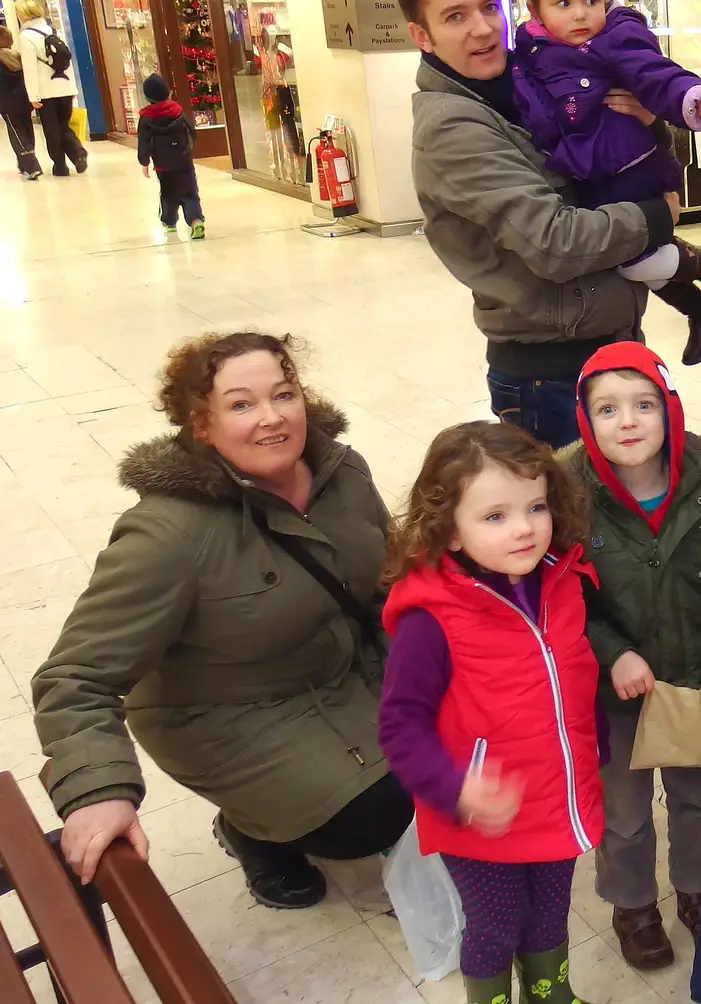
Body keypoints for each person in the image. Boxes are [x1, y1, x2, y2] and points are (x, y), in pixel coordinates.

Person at [33, 332, 410, 908]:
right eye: (241, 404)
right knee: (377, 812)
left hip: (338, 664)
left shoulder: (340, 469)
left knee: (464, 742)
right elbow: (74, 678)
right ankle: (255, 834)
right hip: (231, 713)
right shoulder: (167, 535)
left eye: (284, 395)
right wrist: (97, 791)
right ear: (200, 425)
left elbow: (385, 578)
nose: (272, 418)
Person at [399, 0, 680, 448]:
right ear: (422, 34)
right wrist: (657, 216)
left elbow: (594, 162)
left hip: (605, 346)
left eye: (488, 7)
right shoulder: (452, 127)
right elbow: (556, 242)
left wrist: (647, 123)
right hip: (550, 374)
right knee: (575, 522)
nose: (482, 28)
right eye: (455, 17)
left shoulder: (526, 75)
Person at [562, 341, 701, 970]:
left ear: (670, 411)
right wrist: (612, 655)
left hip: (692, 683)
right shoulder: (568, 501)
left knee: (700, 798)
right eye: (607, 409)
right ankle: (632, 905)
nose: (627, 422)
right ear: (585, 420)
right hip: (615, 693)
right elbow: (563, 598)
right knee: (623, 813)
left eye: (643, 404)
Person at [378, 421, 602, 1004]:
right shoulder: (430, 620)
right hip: (478, 818)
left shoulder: (562, 580)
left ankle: (550, 993)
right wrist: (455, 787)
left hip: (556, 795)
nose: (525, 528)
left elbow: (570, 676)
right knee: (496, 926)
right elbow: (399, 724)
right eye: (495, 516)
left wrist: (593, 748)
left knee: (551, 914)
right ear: (448, 531)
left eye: (535, 506)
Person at [512, 0, 701, 366]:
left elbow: (655, 74)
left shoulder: (616, 36)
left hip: (633, 161)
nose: (581, 13)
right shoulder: (529, 53)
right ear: (535, 9)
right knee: (628, 251)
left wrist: (692, 99)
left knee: (633, 259)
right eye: (563, 3)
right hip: (591, 169)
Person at [14, 0, 88, 178]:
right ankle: (78, 153)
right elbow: (67, 60)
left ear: (23, 15)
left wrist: (33, 96)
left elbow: (30, 68)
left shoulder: (26, 36)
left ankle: (60, 166)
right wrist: (73, 89)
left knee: (52, 130)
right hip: (65, 87)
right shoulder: (55, 31)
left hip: (45, 91)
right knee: (63, 125)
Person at [137, 74, 205, 239]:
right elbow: (191, 131)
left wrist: (144, 162)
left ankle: (169, 223)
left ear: (147, 97)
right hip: (183, 161)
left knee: (168, 193)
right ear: (168, 92)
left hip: (163, 164)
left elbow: (143, 142)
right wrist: (189, 149)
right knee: (190, 192)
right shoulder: (178, 111)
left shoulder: (146, 118)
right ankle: (196, 221)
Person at [0, 26, 42, 180]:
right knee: (27, 128)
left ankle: (31, 166)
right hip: (25, 99)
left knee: (16, 131)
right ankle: (24, 164)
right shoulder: (19, 57)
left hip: (7, 102)